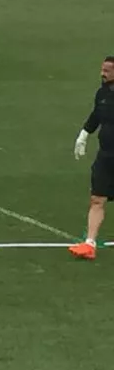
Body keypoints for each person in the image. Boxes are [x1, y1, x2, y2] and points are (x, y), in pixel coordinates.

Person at [70, 56, 114, 258]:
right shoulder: (103, 93)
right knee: (97, 198)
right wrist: (84, 134)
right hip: (106, 156)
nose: (102, 73)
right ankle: (89, 244)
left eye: (107, 70)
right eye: (102, 69)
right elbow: (97, 115)